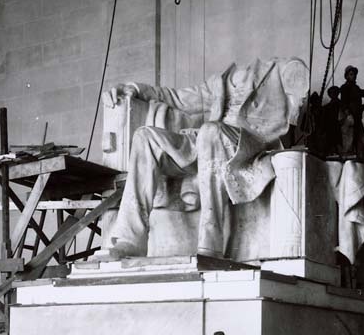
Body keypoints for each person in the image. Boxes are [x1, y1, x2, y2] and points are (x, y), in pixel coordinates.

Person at [103, 57, 309, 259]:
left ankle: (211, 244)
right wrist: (135, 89)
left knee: (210, 131)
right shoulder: (217, 84)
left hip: (247, 142)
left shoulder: (273, 70)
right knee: (145, 136)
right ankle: (130, 240)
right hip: (207, 141)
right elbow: (176, 97)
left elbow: (296, 75)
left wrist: (293, 80)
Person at [339, 65, 364, 157]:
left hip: (356, 118)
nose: (354, 76)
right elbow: (343, 103)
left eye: (354, 74)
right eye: (351, 74)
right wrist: (348, 114)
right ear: (347, 76)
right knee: (349, 140)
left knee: (362, 140)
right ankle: (348, 159)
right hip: (349, 119)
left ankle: (362, 159)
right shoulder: (345, 87)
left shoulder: (356, 88)